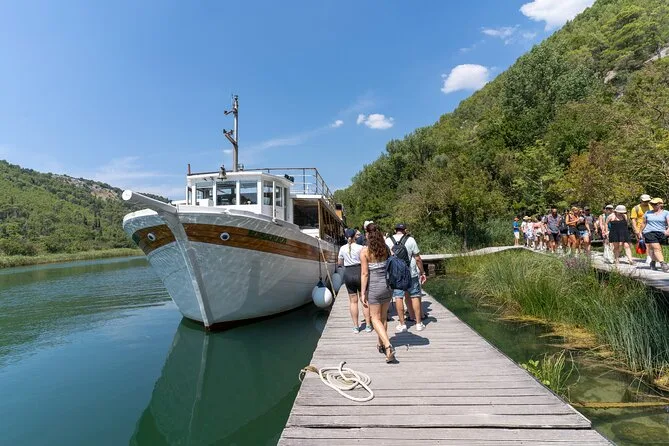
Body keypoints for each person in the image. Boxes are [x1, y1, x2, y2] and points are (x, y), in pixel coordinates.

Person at [360, 223, 395, 362]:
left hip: (374, 288)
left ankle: (387, 345)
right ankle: (380, 344)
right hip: (387, 286)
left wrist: (363, 293)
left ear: (367, 235)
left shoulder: (365, 252)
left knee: (374, 318)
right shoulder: (385, 249)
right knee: (383, 318)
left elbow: (364, 274)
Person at [386, 223, 427, 332]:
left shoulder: (388, 241)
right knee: (415, 296)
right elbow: (417, 258)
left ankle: (402, 324)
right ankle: (418, 323)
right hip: (411, 272)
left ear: (395, 230)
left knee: (398, 297)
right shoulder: (411, 240)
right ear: (405, 230)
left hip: (396, 274)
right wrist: (422, 272)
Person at [338, 228, 371, 333]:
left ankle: (356, 326)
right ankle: (368, 325)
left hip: (348, 273)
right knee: (364, 299)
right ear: (354, 237)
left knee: (353, 301)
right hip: (360, 272)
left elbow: (339, 263)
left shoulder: (342, 248)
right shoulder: (361, 247)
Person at [640, 198, 669, 272]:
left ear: (660, 204)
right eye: (652, 204)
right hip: (649, 232)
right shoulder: (648, 213)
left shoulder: (666, 213)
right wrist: (640, 232)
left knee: (657, 249)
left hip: (661, 232)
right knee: (656, 248)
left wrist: (667, 231)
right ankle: (663, 264)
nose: (653, 205)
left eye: (655, 204)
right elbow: (644, 223)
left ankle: (653, 262)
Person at [631, 194, 653, 265]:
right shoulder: (636, 208)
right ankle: (648, 257)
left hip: (651, 227)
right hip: (640, 227)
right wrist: (635, 229)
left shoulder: (652, 206)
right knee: (645, 242)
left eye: (648, 201)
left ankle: (653, 257)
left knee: (653, 243)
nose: (646, 202)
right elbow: (633, 220)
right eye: (645, 201)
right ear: (641, 200)